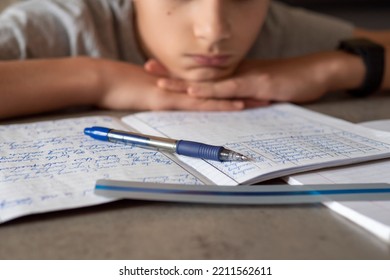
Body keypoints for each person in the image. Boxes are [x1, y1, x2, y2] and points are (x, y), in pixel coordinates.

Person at [0, 0, 389, 119]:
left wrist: (328, 69)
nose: (214, 29)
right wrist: (99, 78)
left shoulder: (271, 26)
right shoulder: (59, 24)